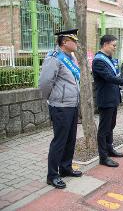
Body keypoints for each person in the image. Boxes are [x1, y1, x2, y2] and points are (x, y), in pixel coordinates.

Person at [39, 29, 82, 189]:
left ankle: (65, 168)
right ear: (64, 42)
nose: (76, 43)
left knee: (71, 139)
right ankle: (52, 175)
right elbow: (44, 83)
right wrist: (52, 99)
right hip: (60, 106)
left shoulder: (71, 57)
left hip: (72, 104)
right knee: (59, 141)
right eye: (74, 40)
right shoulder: (54, 58)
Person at [92, 35, 123, 167]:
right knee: (104, 128)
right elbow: (108, 78)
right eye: (113, 45)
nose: (115, 48)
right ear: (105, 44)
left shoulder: (108, 59)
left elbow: (116, 76)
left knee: (111, 126)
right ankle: (103, 157)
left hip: (113, 98)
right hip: (105, 99)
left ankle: (109, 149)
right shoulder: (98, 61)